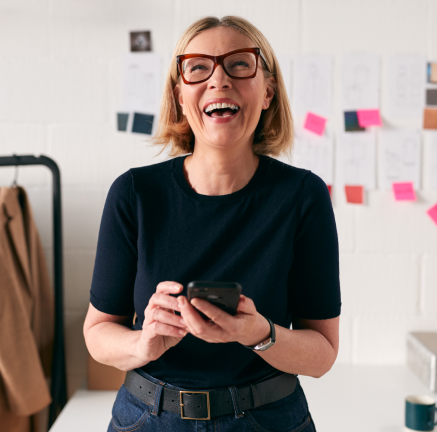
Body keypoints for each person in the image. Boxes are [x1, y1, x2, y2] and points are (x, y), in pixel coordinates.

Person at [83, 15, 340, 431]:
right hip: (148, 418)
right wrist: (143, 342)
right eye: (198, 67)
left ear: (269, 91)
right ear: (180, 96)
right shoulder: (134, 193)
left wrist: (258, 332)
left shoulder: (303, 196)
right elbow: (97, 333)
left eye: (240, 64)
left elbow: (323, 353)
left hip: (268, 419)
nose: (219, 80)